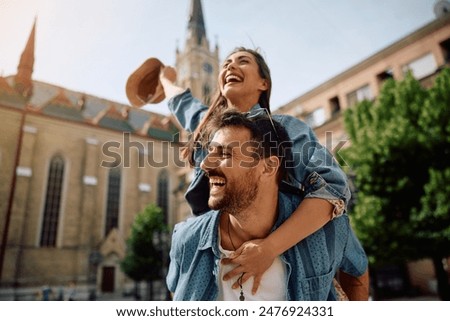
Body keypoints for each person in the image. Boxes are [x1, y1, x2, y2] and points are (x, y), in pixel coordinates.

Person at [159, 47, 354, 294]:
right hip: (211, 256)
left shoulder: (282, 129)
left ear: (264, 83)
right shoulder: (209, 127)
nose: (230, 66)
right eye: (226, 63)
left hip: (280, 252)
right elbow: (182, 103)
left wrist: (270, 248)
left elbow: (333, 187)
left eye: (242, 61)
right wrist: (165, 80)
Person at [166, 110, 368, 300]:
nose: (204, 164)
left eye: (225, 154)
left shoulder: (328, 230)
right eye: (210, 152)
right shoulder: (186, 239)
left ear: (269, 166)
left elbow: (357, 272)